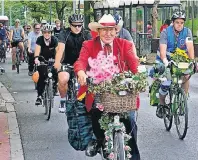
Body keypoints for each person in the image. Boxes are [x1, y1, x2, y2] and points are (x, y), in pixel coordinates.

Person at [74, 14, 140, 160]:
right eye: (104, 30)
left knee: (130, 122)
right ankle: (98, 140)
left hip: (122, 93)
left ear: (116, 31)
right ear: (98, 31)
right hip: (98, 90)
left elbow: (135, 66)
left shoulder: (125, 44)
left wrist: (138, 77)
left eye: (111, 30)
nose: (108, 33)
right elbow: (81, 61)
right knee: (96, 115)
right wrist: (81, 73)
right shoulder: (89, 45)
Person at [155, 10, 194, 118]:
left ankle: (183, 99)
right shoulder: (165, 32)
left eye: (182, 22)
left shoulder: (187, 32)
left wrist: (192, 61)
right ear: (173, 22)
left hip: (180, 59)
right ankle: (161, 104)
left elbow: (190, 48)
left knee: (186, 74)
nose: (180, 25)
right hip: (165, 59)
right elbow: (163, 50)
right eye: (177, 22)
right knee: (166, 82)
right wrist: (165, 61)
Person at [54, 13, 92, 113]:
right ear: (70, 25)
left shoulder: (86, 34)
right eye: (75, 25)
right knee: (63, 79)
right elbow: (60, 49)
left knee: (90, 81)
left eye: (80, 25)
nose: (77, 27)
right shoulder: (64, 33)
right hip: (67, 62)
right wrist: (57, 62)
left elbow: (92, 49)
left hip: (83, 64)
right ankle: (62, 100)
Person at [34, 24, 58, 105]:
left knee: (56, 72)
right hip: (42, 59)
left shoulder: (55, 40)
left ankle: (54, 87)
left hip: (52, 59)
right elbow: (37, 50)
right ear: (43, 33)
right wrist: (36, 58)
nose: (47, 34)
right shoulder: (40, 39)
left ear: (51, 33)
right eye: (45, 32)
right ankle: (39, 96)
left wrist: (58, 60)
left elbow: (58, 51)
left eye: (49, 32)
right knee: (41, 76)